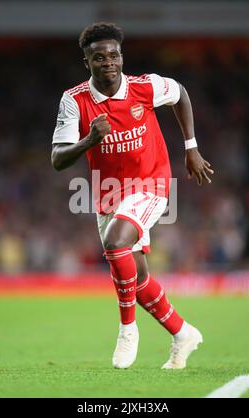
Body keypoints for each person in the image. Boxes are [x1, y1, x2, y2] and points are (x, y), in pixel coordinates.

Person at [51, 22, 214, 369]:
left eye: (114, 55)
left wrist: (191, 147)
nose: (108, 61)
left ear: (121, 57)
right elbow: (57, 160)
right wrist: (88, 141)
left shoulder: (145, 87)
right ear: (87, 62)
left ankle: (127, 331)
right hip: (108, 192)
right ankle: (183, 333)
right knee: (136, 279)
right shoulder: (74, 100)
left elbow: (180, 92)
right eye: (99, 57)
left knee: (114, 241)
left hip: (152, 181)